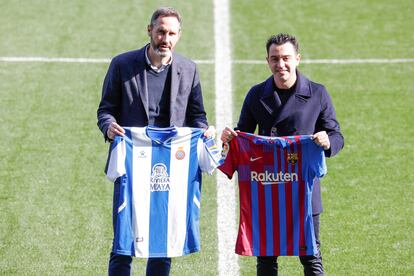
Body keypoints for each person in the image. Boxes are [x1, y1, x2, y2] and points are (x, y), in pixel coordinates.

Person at [97, 7, 215, 276]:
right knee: (123, 241)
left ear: (179, 35)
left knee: (162, 242)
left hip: (171, 166)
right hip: (131, 163)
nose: (166, 38)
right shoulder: (122, 65)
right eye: (161, 31)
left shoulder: (189, 68)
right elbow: (105, 109)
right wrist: (109, 127)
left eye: (172, 33)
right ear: (149, 30)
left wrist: (204, 131)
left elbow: (197, 115)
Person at [221, 33, 344, 275]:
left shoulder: (317, 93)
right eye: (275, 59)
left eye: (286, 58)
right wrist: (229, 139)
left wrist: (327, 141)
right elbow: (242, 135)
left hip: (304, 191)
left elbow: (337, 136)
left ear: (297, 58)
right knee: (266, 260)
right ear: (267, 61)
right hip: (267, 189)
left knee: (311, 256)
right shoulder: (256, 94)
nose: (281, 65)